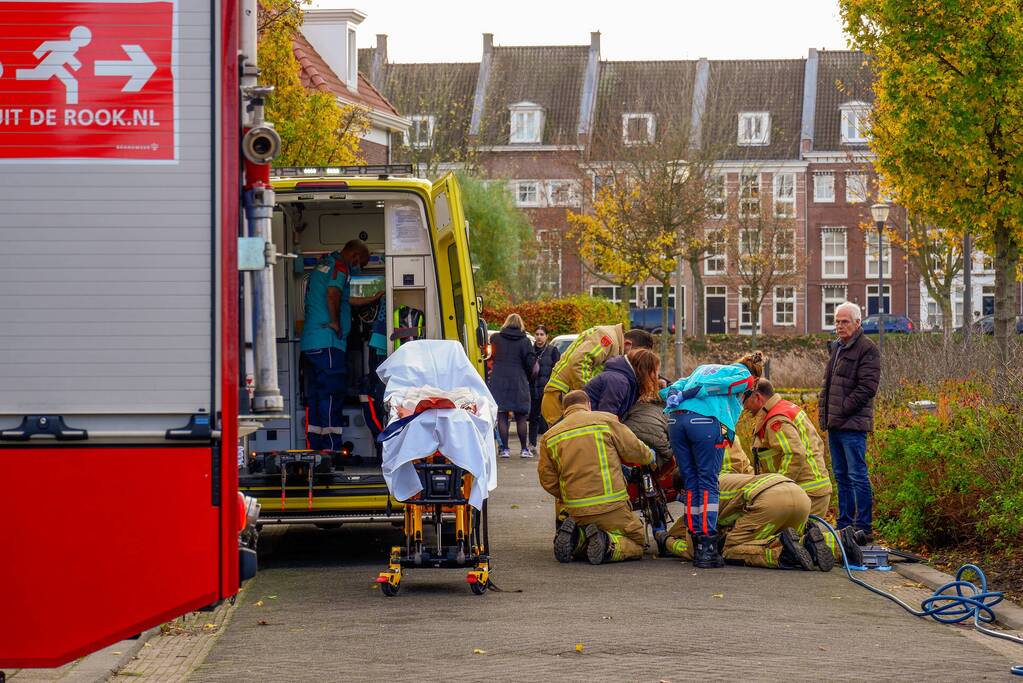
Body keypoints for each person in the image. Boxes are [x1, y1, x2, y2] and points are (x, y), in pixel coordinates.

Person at [661, 351, 765, 568]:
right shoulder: (744, 377)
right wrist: (694, 393)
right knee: (708, 481)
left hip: (676, 422)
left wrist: (675, 393)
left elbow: (673, 387)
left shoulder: (703, 368)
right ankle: (707, 546)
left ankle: (694, 536)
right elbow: (718, 388)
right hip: (706, 423)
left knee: (691, 482)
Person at [745, 378, 861, 568]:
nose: (744, 408)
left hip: (806, 492)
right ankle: (843, 540)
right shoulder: (786, 408)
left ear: (757, 397)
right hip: (814, 489)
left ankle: (841, 545)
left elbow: (794, 454)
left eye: (744, 401)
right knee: (799, 539)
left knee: (782, 542)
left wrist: (775, 489)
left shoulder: (776, 419)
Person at [538, 391, 654, 565]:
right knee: (637, 541)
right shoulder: (606, 421)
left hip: (576, 510)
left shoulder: (550, 436)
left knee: (586, 528)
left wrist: (566, 495)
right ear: (588, 405)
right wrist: (650, 457)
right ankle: (608, 543)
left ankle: (578, 540)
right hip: (612, 507)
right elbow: (635, 451)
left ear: (565, 410)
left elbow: (547, 479)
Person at [300, 239, 382, 452]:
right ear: (354, 256)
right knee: (331, 394)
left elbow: (344, 298)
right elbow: (333, 294)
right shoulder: (340, 267)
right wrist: (336, 322)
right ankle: (331, 447)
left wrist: (372, 298)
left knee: (316, 395)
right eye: (361, 263)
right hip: (328, 342)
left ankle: (315, 446)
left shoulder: (324, 264)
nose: (360, 267)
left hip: (311, 343)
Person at [819, 301, 880, 544]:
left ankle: (863, 528)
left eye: (845, 321)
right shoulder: (837, 348)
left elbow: (867, 388)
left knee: (857, 475)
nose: (839, 326)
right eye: (836, 321)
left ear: (857, 323)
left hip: (852, 425)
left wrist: (842, 410)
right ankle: (844, 525)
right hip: (835, 424)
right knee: (841, 476)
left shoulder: (867, 349)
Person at [541, 325, 654, 426]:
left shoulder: (614, 343)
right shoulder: (607, 338)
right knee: (562, 444)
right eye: (636, 354)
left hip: (565, 397)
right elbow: (579, 362)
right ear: (628, 344)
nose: (636, 359)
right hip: (561, 397)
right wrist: (586, 398)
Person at [488, 314, 536, 458]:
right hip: (518, 380)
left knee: (502, 415)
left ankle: (504, 450)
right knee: (521, 417)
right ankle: (523, 449)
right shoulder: (525, 342)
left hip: (499, 379)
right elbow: (530, 364)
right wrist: (527, 377)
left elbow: (490, 357)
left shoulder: (496, 338)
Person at [582, 348, 658, 421]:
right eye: (655, 371)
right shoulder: (618, 381)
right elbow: (607, 417)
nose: (655, 376)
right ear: (645, 370)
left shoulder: (625, 379)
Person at [623, 362, 672, 468]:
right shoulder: (667, 408)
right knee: (669, 456)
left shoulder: (637, 402)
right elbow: (671, 431)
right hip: (656, 442)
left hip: (630, 437)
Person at [528, 325, 561, 452]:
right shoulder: (530, 351)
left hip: (548, 390)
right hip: (533, 389)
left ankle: (553, 443)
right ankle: (532, 444)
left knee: (550, 419)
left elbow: (557, 369)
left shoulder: (552, 351)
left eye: (542, 334)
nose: (539, 337)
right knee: (533, 418)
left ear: (547, 336)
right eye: (537, 334)